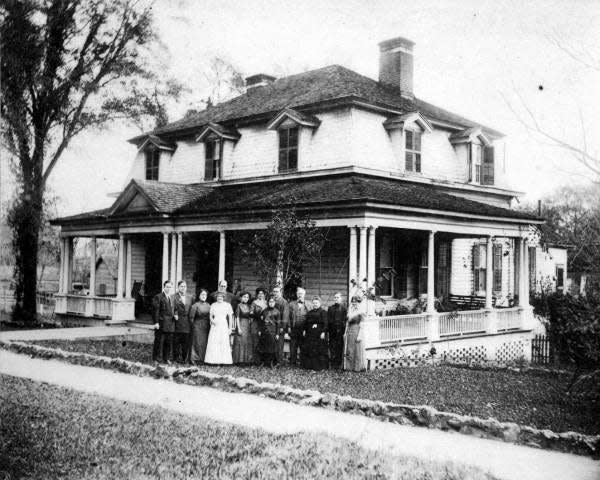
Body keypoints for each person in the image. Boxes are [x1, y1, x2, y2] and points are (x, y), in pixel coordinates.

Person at [204, 291, 234, 365]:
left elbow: (230, 317)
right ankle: (213, 361)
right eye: (218, 296)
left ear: (223, 297)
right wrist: (212, 321)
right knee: (215, 341)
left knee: (223, 342)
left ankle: (223, 361)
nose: (219, 298)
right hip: (215, 325)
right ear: (216, 297)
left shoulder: (227, 305)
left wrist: (230, 328)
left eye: (221, 296)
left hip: (223, 324)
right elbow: (210, 316)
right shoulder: (213, 305)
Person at [301, 296, 329, 370]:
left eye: (316, 303)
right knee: (310, 349)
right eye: (314, 303)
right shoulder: (310, 312)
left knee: (318, 350)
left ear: (320, 303)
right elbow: (306, 323)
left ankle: (319, 367)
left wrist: (323, 332)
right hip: (310, 334)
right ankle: (310, 366)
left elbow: (325, 323)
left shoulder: (323, 312)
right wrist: (304, 330)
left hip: (319, 334)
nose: (315, 304)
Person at [344, 286, 367, 372]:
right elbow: (347, 322)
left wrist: (359, 335)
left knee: (357, 350)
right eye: (353, 302)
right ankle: (349, 367)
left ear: (359, 303)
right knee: (350, 349)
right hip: (350, 330)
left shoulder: (361, 312)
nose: (354, 304)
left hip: (357, 330)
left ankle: (357, 368)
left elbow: (362, 324)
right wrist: (345, 332)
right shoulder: (350, 311)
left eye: (356, 302)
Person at [152, 280, 175, 363]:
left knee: (168, 342)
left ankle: (166, 358)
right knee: (159, 341)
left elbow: (173, 309)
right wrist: (156, 322)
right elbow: (156, 311)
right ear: (164, 287)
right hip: (161, 323)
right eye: (167, 287)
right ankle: (156, 359)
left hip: (170, 323)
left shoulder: (171, 298)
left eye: (170, 287)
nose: (168, 288)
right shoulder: (158, 297)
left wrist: (175, 315)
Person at [256, 295, 280, 367]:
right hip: (265, 332)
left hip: (272, 332)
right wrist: (260, 330)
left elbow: (278, 324)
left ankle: (272, 363)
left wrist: (277, 333)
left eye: (273, 302)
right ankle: (263, 362)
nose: (271, 303)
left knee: (272, 348)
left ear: (274, 303)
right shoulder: (264, 311)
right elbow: (261, 321)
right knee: (263, 347)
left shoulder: (277, 312)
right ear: (268, 302)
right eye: (270, 302)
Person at [189, 288, 211, 364]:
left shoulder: (208, 305)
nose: (204, 296)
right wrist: (194, 327)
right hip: (197, 325)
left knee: (204, 342)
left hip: (206, 326)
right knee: (197, 342)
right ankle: (195, 359)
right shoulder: (195, 305)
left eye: (205, 294)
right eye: (202, 294)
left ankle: (203, 358)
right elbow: (191, 318)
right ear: (199, 296)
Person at [172, 280, 192, 364]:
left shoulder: (190, 297)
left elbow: (192, 309)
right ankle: (176, 358)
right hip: (177, 322)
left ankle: (184, 358)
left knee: (186, 342)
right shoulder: (173, 297)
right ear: (178, 287)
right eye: (181, 286)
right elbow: (171, 308)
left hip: (187, 323)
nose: (183, 288)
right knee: (176, 341)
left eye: (185, 286)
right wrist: (174, 314)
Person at [288, 287, 308, 366]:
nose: (300, 295)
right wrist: (289, 327)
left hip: (303, 329)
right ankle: (293, 362)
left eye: (302, 294)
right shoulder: (291, 304)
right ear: (296, 294)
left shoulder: (308, 304)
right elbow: (288, 317)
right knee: (293, 346)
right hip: (294, 328)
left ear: (304, 295)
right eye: (299, 293)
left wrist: (306, 329)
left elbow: (310, 317)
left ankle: (302, 363)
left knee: (303, 346)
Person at [328, 292, 348, 369]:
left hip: (340, 331)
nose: (336, 299)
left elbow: (345, 320)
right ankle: (333, 364)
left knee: (339, 347)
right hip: (332, 331)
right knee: (332, 346)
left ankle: (339, 364)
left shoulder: (344, 308)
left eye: (338, 297)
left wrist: (342, 329)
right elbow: (329, 320)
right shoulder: (330, 308)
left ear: (341, 298)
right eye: (335, 297)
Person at [232, 291, 253, 364]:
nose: (246, 298)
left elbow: (250, 316)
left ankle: (245, 360)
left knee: (246, 341)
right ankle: (238, 360)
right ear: (241, 298)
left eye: (247, 297)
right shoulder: (239, 305)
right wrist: (239, 328)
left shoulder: (249, 306)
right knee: (239, 341)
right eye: (244, 297)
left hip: (247, 324)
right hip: (240, 323)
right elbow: (237, 317)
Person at [271, 285, 289, 364]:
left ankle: (279, 362)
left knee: (279, 344)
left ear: (280, 292)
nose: (275, 293)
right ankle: (273, 361)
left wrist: (282, 327)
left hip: (280, 326)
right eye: (274, 291)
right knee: (272, 343)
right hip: (272, 326)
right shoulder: (271, 301)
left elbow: (285, 316)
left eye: (277, 292)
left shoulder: (284, 302)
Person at [250, 288, 267, 364]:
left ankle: (263, 360)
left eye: (262, 293)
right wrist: (258, 316)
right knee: (255, 341)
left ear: (264, 295)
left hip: (264, 324)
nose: (260, 295)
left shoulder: (266, 303)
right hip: (255, 323)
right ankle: (255, 360)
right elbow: (251, 313)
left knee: (263, 341)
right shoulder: (254, 303)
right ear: (257, 294)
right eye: (259, 293)